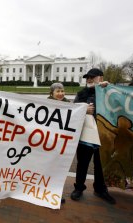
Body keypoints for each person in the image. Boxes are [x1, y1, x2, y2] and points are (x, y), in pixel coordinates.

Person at [70, 68, 116, 204]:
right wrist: (84, 109)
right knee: (82, 163)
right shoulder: (81, 94)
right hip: (86, 135)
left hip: (104, 135)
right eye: (87, 78)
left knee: (100, 164)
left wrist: (109, 87)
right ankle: (78, 188)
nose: (89, 79)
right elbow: (73, 111)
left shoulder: (108, 92)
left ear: (100, 78)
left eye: (92, 77)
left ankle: (100, 189)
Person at [47, 82, 69, 204]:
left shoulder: (70, 106)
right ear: (51, 93)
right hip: (47, 142)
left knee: (58, 169)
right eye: (58, 91)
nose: (60, 93)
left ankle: (55, 192)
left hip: (61, 143)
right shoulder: (46, 104)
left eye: (62, 91)